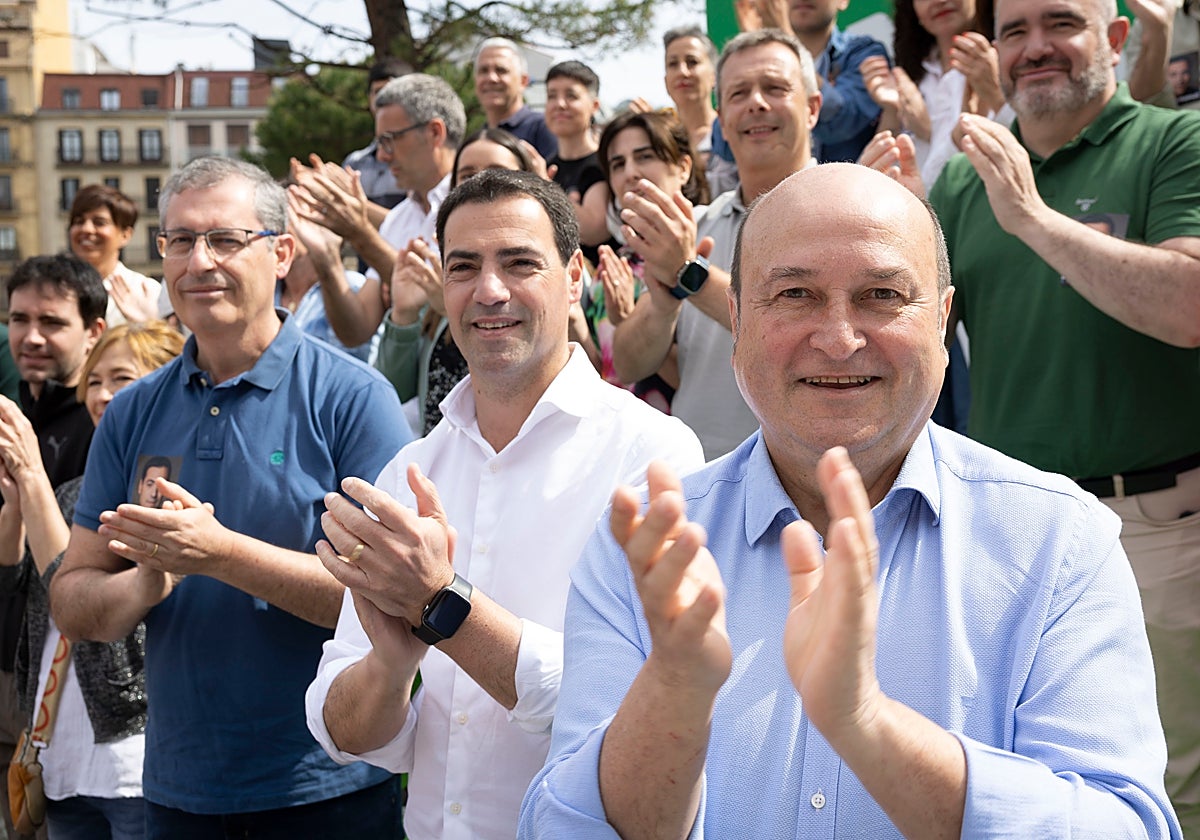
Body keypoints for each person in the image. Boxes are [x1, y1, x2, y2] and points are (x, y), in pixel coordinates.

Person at [519, 162, 1181, 840]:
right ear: (737, 322)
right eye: (796, 294)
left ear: (943, 321)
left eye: (882, 295)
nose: (838, 339)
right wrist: (672, 696)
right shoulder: (644, 553)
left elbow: (1122, 826)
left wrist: (869, 725)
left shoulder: (1060, 543)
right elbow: (559, 827)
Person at [305, 169, 704, 840]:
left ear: (573, 279)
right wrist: (391, 667)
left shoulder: (653, 454)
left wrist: (440, 603)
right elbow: (342, 733)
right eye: (463, 267)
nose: (489, 290)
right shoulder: (410, 469)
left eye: (519, 263)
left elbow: (635, 707)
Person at [49, 156, 413, 837]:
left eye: (224, 239)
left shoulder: (355, 399)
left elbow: (394, 598)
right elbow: (72, 599)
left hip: (328, 786)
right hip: (177, 795)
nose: (199, 261)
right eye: (180, 241)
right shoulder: (130, 413)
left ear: (282, 253)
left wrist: (221, 555)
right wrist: (145, 583)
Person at [923, 0, 1200, 828]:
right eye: (1014, 32)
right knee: (1020, 781)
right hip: (1007, 538)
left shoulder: (1174, 141)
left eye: (1060, 24)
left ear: (1114, 38)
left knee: (1171, 786)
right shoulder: (965, 179)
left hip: (1153, 527)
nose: (1035, 48)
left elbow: (1189, 305)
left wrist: (1033, 219)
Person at [0, 322, 183, 840]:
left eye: (121, 379)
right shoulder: (75, 490)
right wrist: (15, 504)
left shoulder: (174, 490)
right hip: (59, 753)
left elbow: (82, 604)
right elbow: (25, 589)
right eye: (95, 381)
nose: (102, 396)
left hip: (133, 760)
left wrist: (32, 475)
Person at [611, 29, 819, 460]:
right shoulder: (697, 225)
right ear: (721, 119)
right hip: (701, 478)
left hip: (809, 478)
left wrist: (689, 273)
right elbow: (629, 363)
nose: (756, 103)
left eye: (775, 88)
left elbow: (799, 332)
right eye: (739, 93)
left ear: (812, 108)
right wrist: (664, 303)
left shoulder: (846, 219)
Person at [375, 128, 538, 434]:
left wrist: (451, 310)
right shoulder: (440, 274)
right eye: (467, 176)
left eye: (499, 174)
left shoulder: (548, 272)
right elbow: (391, 393)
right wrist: (404, 315)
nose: (481, 184)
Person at [290, 73, 464, 351]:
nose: (382, 155)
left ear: (434, 132)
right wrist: (326, 258)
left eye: (390, 140)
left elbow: (439, 301)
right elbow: (356, 329)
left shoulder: (474, 208)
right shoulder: (398, 219)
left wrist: (360, 233)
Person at [591, 109, 710, 407]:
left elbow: (706, 376)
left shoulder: (714, 241)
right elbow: (607, 371)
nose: (630, 173)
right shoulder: (613, 264)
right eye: (618, 164)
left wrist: (633, 321)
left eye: (644, 157)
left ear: (683, 168)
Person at [859, 0, 1008, 186]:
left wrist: (929, 132)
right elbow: (872, 181)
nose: (939, 2)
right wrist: (892, 112)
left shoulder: (1005, 64)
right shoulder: (909, 77)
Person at [735, 0, 888, 161]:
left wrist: (786, 43)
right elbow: (725, 145)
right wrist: (753, 54)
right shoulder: (760, 60)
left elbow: (842, 121)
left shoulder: (863, 53)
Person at [6, 255, 107, 490]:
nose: (32, 338)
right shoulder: (15, 418)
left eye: (51, 323)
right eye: (19, 320)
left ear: (93, 332)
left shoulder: (103, 424)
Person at [545, 60, 615, 265]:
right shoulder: (547, 165)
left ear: (594, 106)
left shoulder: (604, 164)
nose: (560, 104)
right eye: (551, 96)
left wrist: (544, 188)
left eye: (571, 96)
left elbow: (594, 230)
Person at [67, 185, 162, 327]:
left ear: (125, 235)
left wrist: (144, 326)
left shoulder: (146, 292)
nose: (86, 229)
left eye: (99, 223)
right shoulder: (53, 289)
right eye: (79, 221)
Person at [660, 27, 738, 196]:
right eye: (673, 64)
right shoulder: (660, 140)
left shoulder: (734, 131)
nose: (682, 71)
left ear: (714, 76)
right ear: (665, 81)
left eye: (692, 62)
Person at [341, 58, 410, 217]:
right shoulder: (354, 163)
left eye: (390, 91)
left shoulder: (420, 160)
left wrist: (351, 203)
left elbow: (416, 224)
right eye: (378, 92)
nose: (383, 99)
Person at [473, 37, 557, 160]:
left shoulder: (544, 128)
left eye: (501, 70)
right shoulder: (477, 139)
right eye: (483, 70)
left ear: (523, 81)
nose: (491, 78)